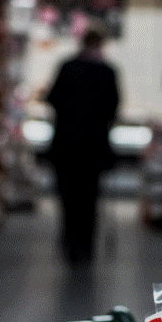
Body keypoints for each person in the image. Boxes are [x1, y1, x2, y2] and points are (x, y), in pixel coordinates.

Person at [46, 23, 120, 265]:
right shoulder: (108, 72)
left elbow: (52, 99)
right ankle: (87, 244)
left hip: (66, 145)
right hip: (94, 147)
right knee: (90, 197)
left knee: (68, 196)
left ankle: (70, 240)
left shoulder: (67, 67)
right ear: (101, 45)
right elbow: (113, 108)